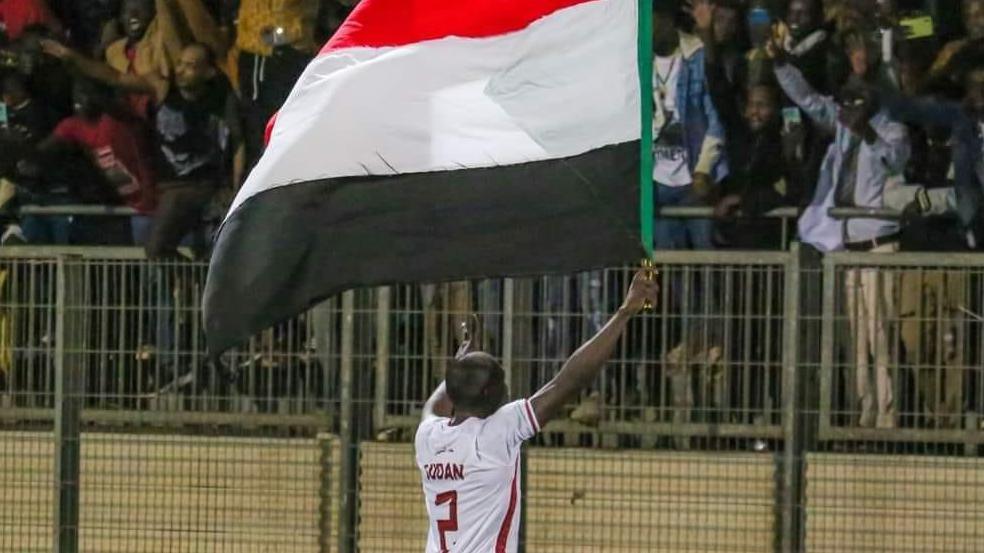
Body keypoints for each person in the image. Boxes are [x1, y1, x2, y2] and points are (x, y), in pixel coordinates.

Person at [415, 270, 658, 553]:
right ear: (488, 395)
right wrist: (623, 313)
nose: (507, 390)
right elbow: (568, 383)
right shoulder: (495, 434)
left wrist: (463, 361)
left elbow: (441, 399)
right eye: (500, 382)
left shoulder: (428, 436)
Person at [773, 29, 910, 429]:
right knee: (856, 339)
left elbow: (895, 161)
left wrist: (865, 130)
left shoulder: (891, 128)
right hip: (847, 248)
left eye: (858, 99)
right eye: (847, 99)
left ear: (873, 99)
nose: (849, 105)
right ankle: (864, 413)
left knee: (881, 334)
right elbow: (808, 99)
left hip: (880, 246)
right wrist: (781, 64)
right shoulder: (840, 127)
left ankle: (888, 417)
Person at [44, 39, 244, 258]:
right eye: (180, 64)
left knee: (161, 248)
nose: (181, 71)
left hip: (204, 185)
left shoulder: (223, 99)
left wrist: (235, 187)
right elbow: (115, 77)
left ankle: (195, 285)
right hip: (172, 186)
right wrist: (73, 57)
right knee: (163, 250)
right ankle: (193, 286)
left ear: (208, 72)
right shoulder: (163, 88)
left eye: (191, 66)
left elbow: (238, 144)